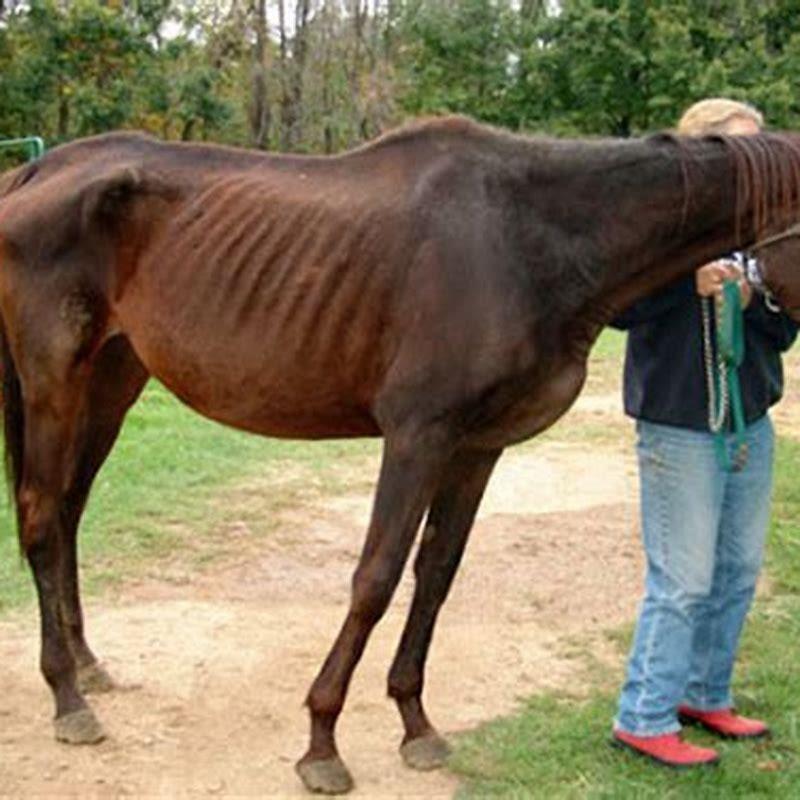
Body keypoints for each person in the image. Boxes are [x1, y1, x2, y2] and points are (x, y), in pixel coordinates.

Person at [611, 98, 799, 768]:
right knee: (683, 578)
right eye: (738, 152)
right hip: (680, 426)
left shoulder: (764, 235)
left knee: (737, 570)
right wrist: (681, 285)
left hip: (748, 419)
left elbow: (785, 329)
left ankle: (702, 693)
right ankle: (643, 715)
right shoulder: (661, 231)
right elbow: (618, 308)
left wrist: (756, 302)